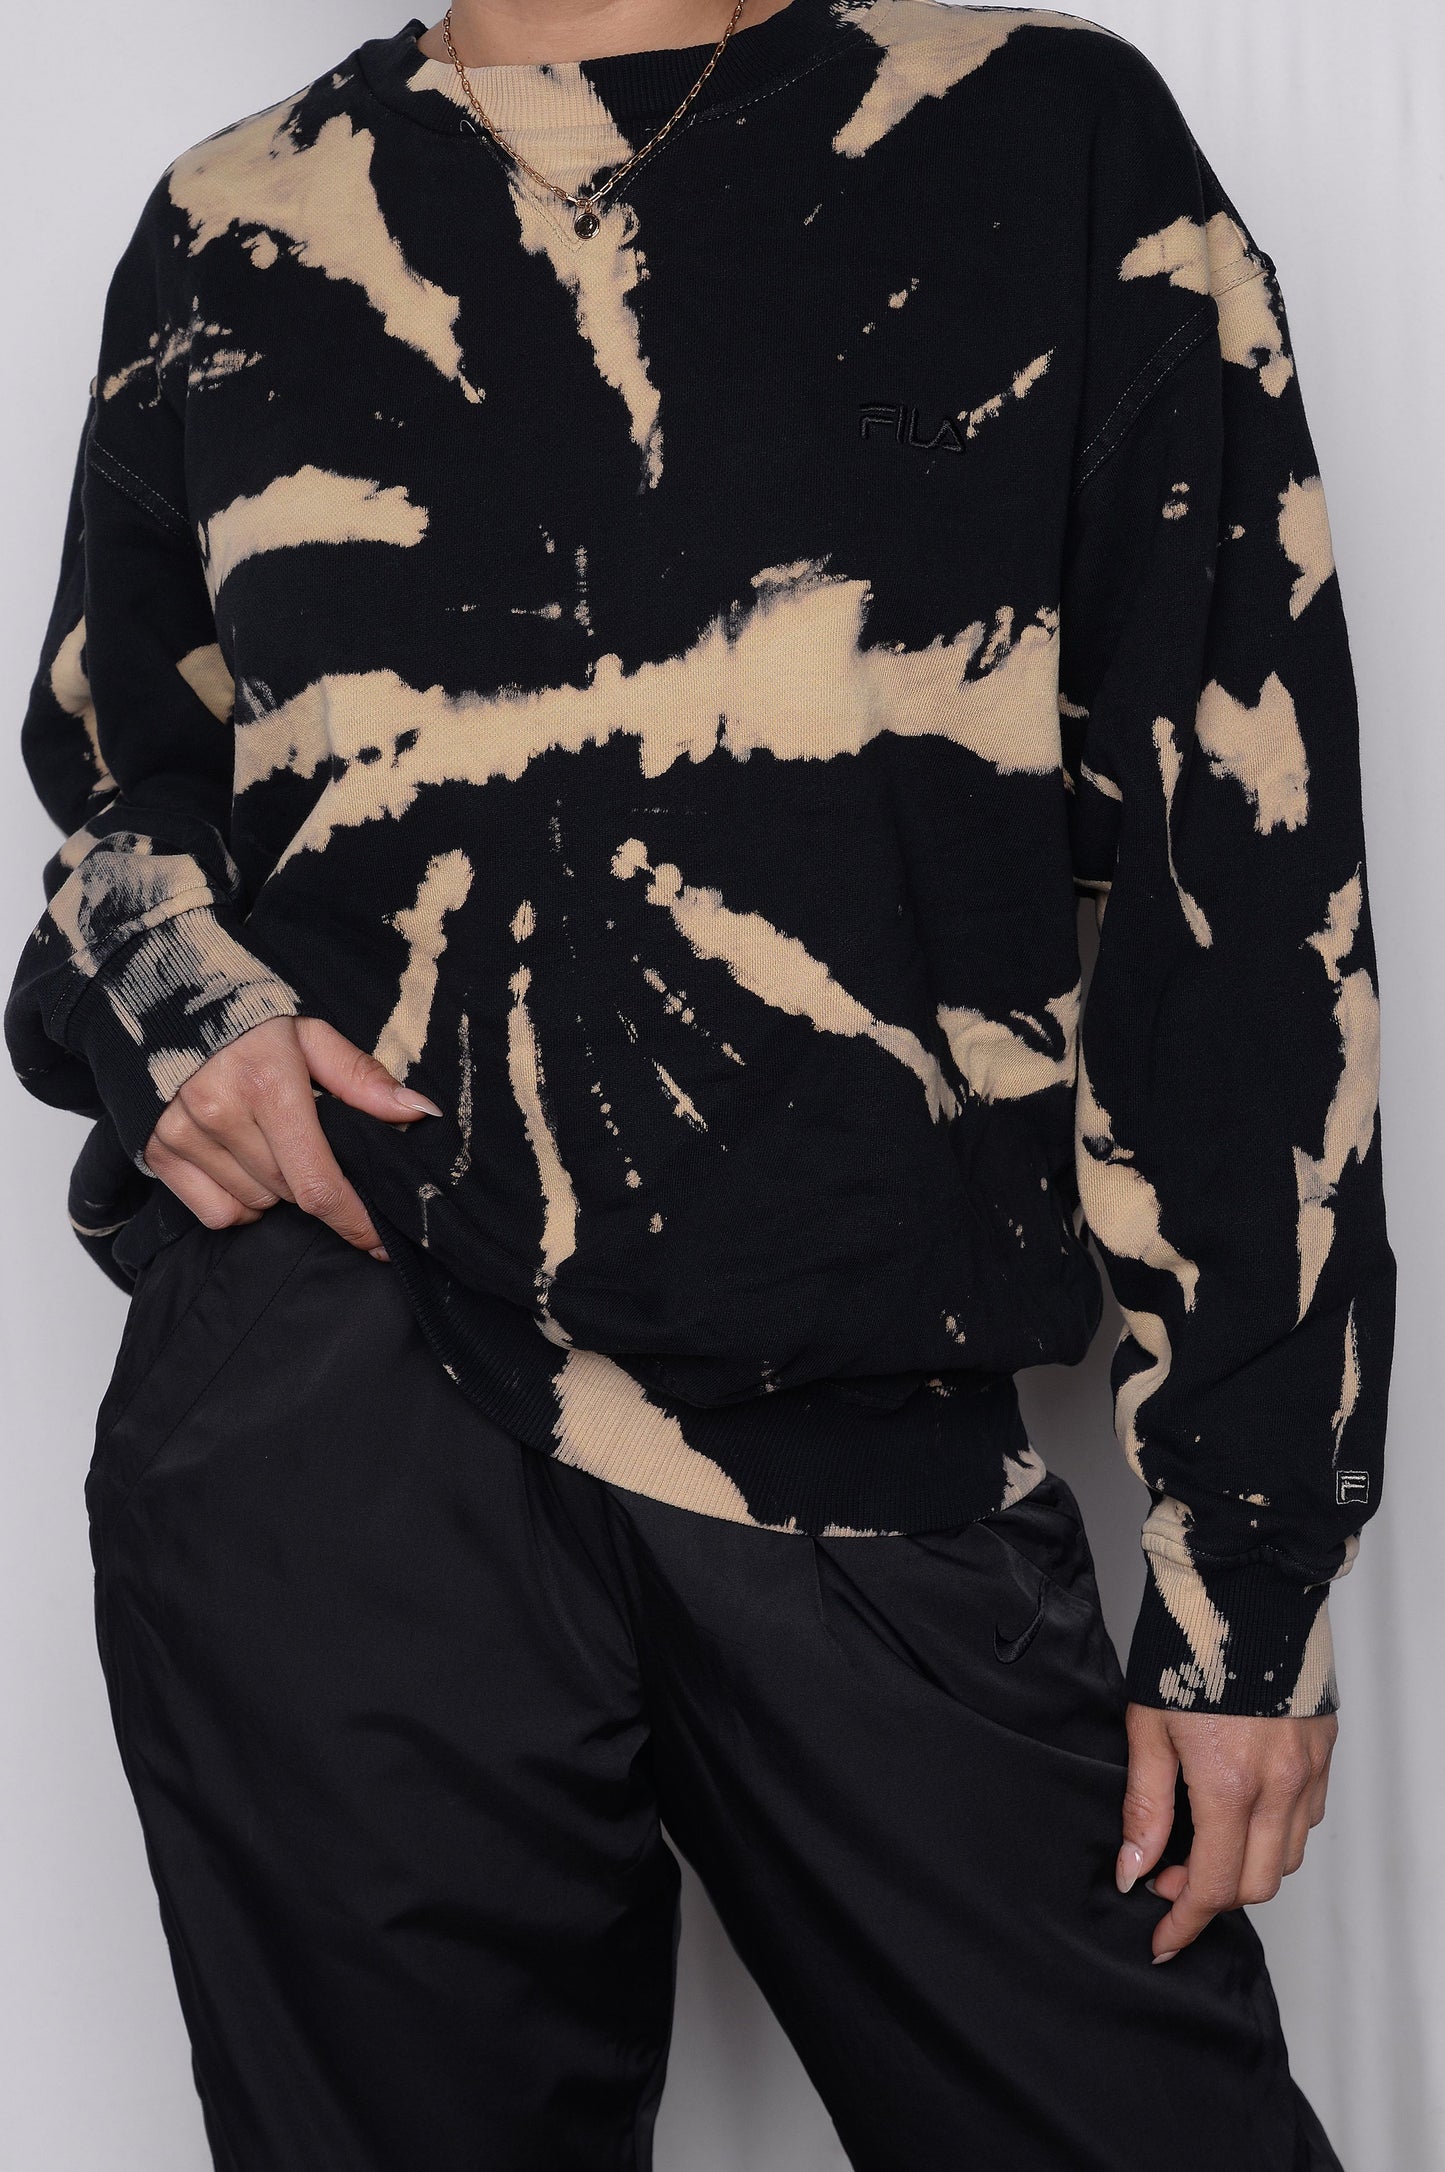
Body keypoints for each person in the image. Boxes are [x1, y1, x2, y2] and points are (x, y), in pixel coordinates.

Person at [6, 0, 1394, 2164]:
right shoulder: (234, 221)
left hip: (864, 1432)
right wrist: (193, 1008)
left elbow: (1242, 880)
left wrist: (1246, 1588)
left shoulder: (1042, 141)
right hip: (330, 1406)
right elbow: (121, 779)